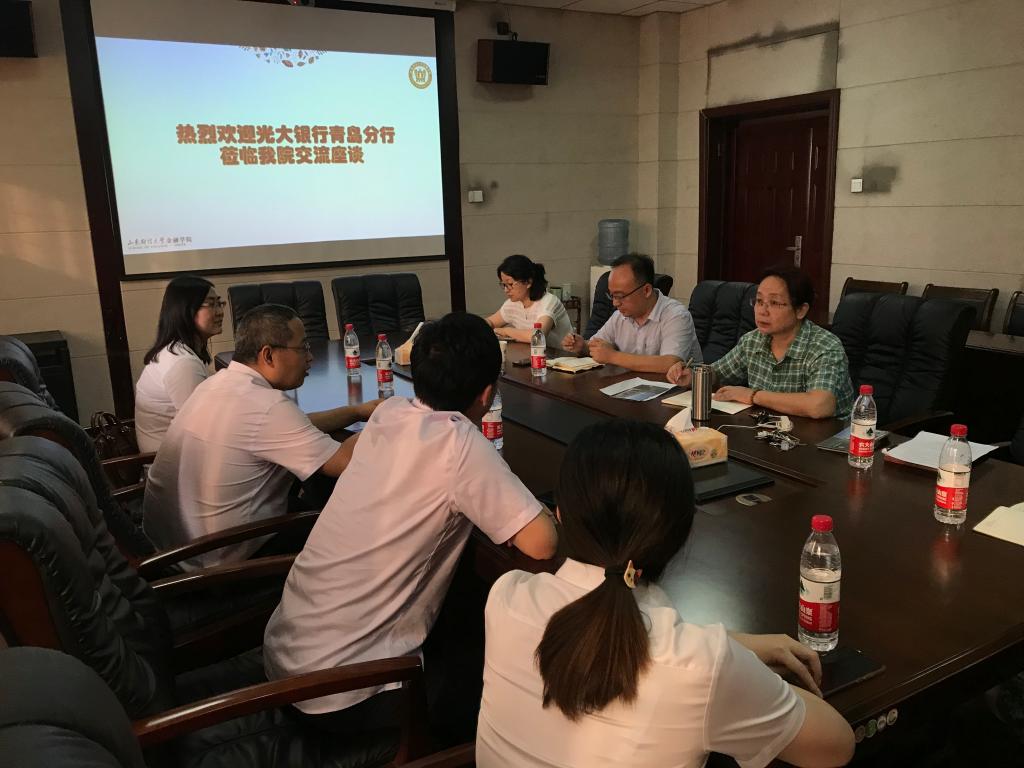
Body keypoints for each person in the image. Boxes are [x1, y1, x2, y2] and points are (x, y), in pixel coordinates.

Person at [477, 420, 855, 768]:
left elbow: (604, 629)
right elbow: (836, 745)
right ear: (682, 531)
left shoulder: (507, 597)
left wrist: (738, 648)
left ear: (559, 514)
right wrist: (740, 666)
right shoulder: (700, 666)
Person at [263, 312, 558, 735]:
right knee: (499, 674)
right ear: (487, 394)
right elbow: (542, 543)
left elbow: (353, 455)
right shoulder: (460, 444)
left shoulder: (390, 413)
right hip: (340, 697)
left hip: (284, 661)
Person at [143, 304, 378, 570]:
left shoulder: (217, 384)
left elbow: (294, 428)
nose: (310, 357)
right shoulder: (266, 406)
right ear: (268, 355)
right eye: (303, 347)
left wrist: (356, 411)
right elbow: (343, 462)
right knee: (352, 524)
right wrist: (392, 418)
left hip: (170, 551)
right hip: (220, 565)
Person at [667, 266, 854, 419]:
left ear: (801, 310)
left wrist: (753, 395)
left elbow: (819, 406)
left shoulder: (824, 347)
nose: (762, 311)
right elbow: (718, 374)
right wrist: (691, 376)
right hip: (770, 433)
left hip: (824, 443)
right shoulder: (753, 340)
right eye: (758, 301)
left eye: (774, 303)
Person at [562, 254, 701, 373]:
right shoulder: (620, 316)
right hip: (632, 387)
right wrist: (582, 346)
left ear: (646, 290)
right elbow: (598, 346)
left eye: (620, 296)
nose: (615, 303)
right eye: (612, 296)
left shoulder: (676, 315)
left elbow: (671, 363)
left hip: (677, 392)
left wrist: (613, 356)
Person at [134, 275, 224, 453]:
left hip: (178, 455)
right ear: (186, 310)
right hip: (171, 464)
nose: (220, 312)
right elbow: (203, 429)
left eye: (220, 303)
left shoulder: (175, 350)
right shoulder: (183, 364)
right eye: (211, 304)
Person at [485, 254, 573, 344]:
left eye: (510, 284)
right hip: (532, 352)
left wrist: (506, 331)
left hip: (559, 353)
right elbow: (490, 322)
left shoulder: (549, 302)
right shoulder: (512, 304)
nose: (506, 290)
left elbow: (537, 337)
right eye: (504, 284)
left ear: (528, 282)